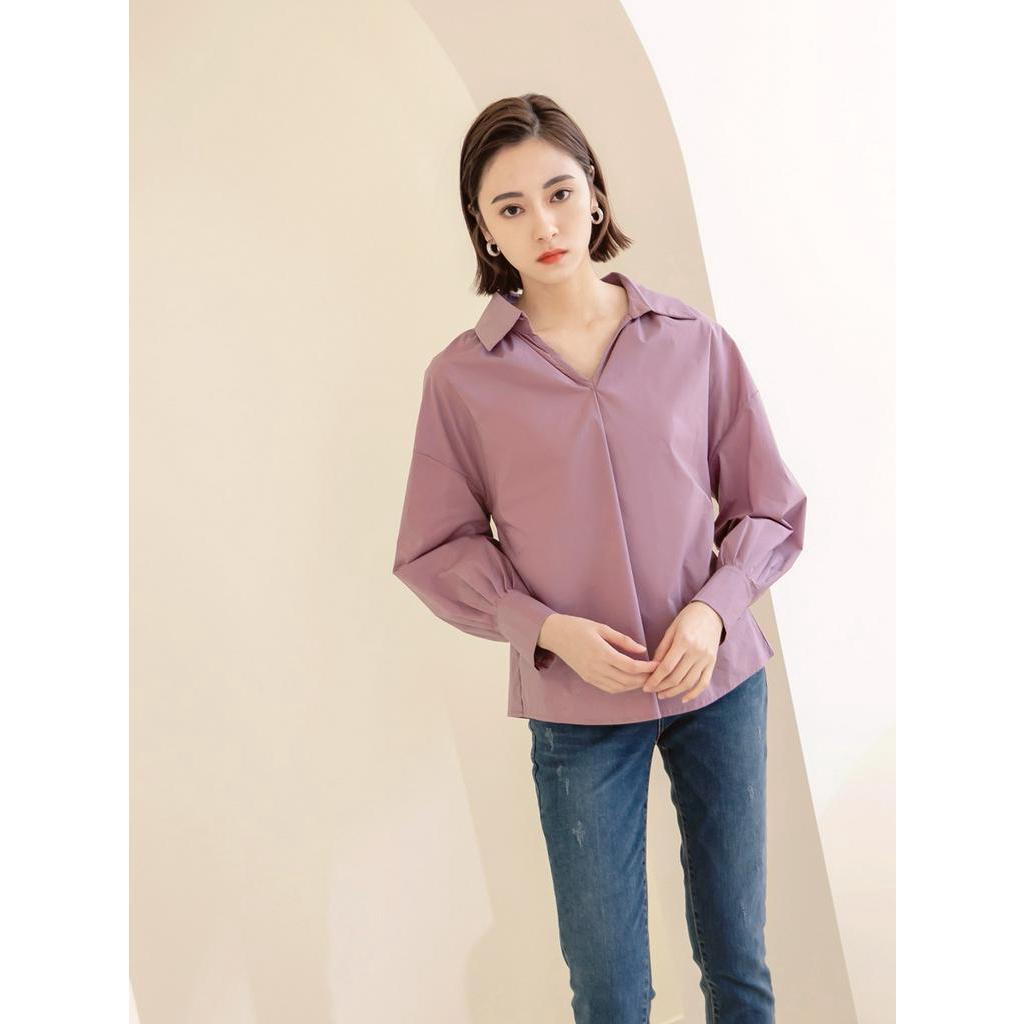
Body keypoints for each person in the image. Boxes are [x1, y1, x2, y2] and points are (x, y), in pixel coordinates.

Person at [392, 93, 807, 1024]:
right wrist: (546, 631)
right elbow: (435, 545)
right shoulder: (462, 380)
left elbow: (768, 507)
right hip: (577, 709)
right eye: (510, 207)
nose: (543, 224)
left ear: (594, 192)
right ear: (483, 228)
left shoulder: (693, 341)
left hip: (717, 686)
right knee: (612, 992)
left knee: (739, 963)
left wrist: (712, 611)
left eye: (558, 192)